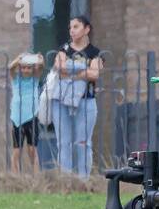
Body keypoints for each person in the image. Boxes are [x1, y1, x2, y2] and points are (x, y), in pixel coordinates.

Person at [54, 16, 102, 176]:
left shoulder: (94, 52)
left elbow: (95, 74)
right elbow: (59, 67)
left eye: (76, 27)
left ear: (86, 29)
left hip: (86, 100)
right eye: (70, 27)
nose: (72, 30)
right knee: (64, 142)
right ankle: (65, 179)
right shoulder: (64, 48)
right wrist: (82, 69)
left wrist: (71, 71)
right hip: (63, 100)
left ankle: (84, 180)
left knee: (83, 143)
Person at [8, 53, 45, 173]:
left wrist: (38, 59)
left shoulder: (35, 79)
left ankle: (36, 179)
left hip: (31, 118)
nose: (26, 70)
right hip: (17, 119)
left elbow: (41, 66)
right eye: (23, 67)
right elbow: (10, 68)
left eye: (28, 67)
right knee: (16, 151)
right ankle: (15, 179)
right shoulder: (16, 79)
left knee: (32, 151)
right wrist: (19, 58)